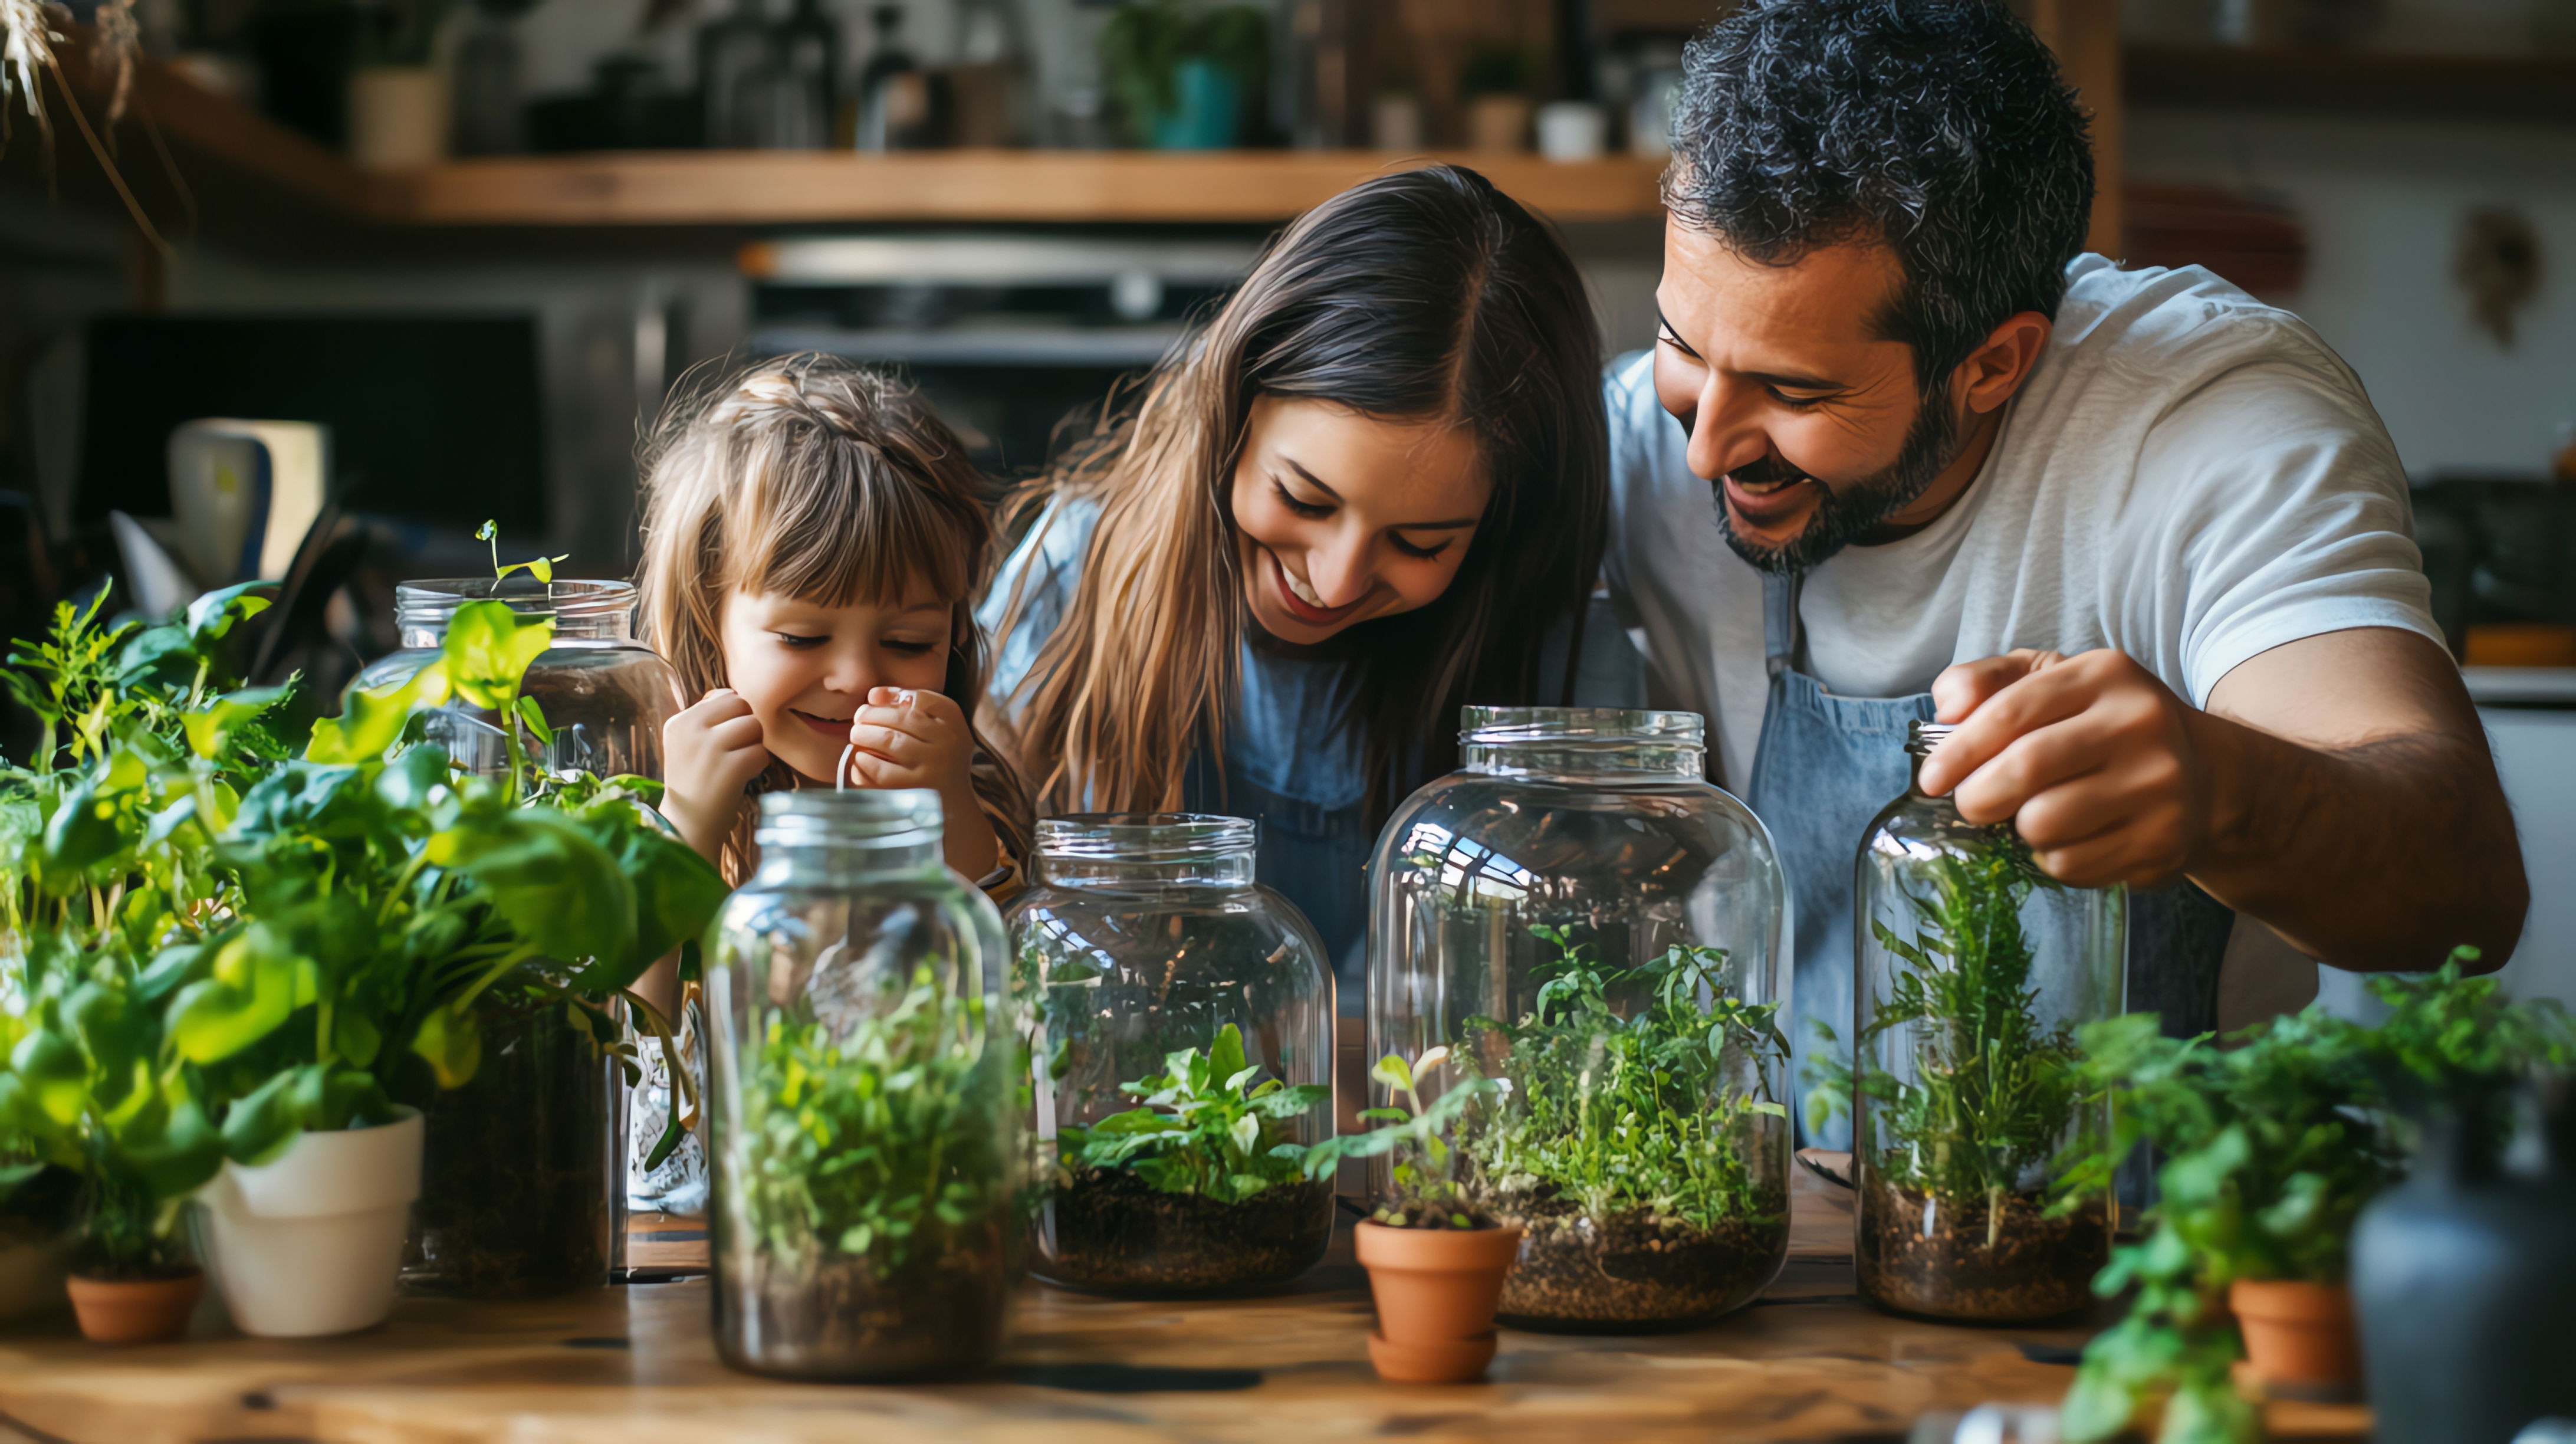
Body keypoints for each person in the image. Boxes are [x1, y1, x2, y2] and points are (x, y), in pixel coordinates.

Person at [1605, 0, 2527, 1127]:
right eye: (1680, 344)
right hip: (1789, 1208)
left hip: (2160, 1209)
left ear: (1993, 365)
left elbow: (2466, 880)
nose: (1704, 446)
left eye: (1794, 391)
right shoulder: (1636, 442)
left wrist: (2220, 794)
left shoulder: (2209, 424)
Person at [980, 165, 1627, 978]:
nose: (1337, 581)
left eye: (1419, 544)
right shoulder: (1077, 578)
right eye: (1303, 498)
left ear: (1503, 529)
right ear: (1234, 410)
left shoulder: (1561, 660)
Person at [637, 355, 1034, 892]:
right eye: (802, 638)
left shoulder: (971, 796)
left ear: (955, 633)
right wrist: (686, 831)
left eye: (909, 643)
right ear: (707, 622)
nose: (857, 677)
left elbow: (991, 942)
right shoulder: (636, 800)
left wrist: (948, 816)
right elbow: (634, 954)